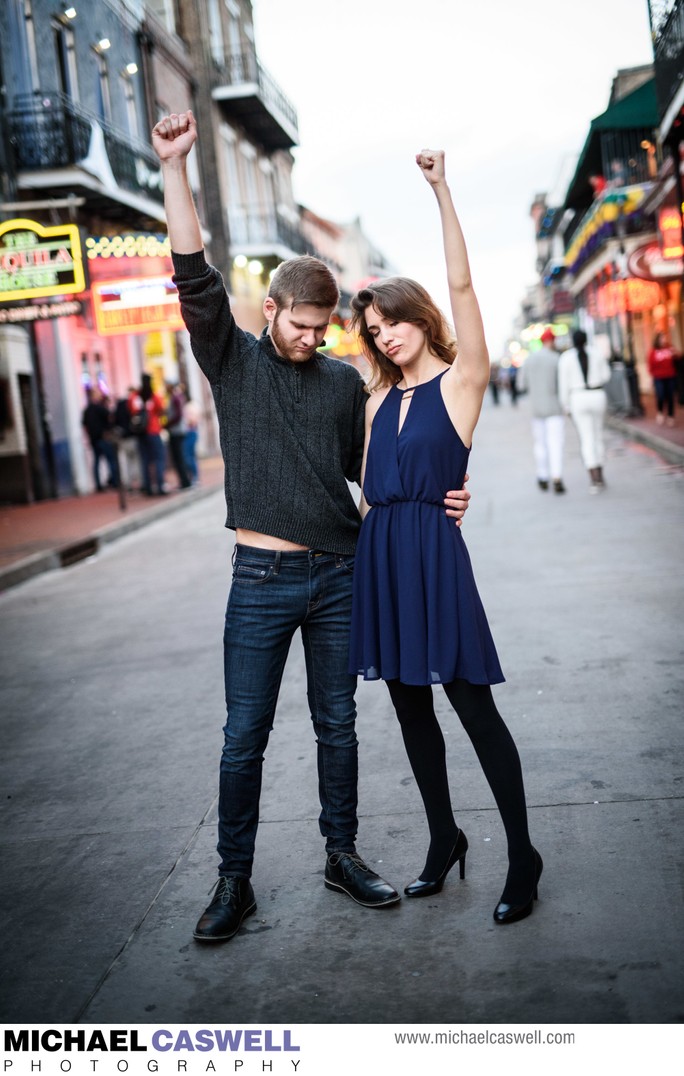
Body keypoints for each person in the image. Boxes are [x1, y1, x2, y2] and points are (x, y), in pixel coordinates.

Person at [150, 110, 471, 943]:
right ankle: (233, 882)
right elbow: (192, 270)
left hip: (339, 574)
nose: (311, 336)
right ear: (271, 309)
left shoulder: (339, 383)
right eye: (300, 323)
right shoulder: (231, 357)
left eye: (323, 326)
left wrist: (441, 495)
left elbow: (379, 470)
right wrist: (175, 168)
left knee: (339, 723)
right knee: (243, 735)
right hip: (259, 578)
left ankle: (342, 854)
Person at [348, 149, 541, 926]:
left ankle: (523, 855)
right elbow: (364, 484)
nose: (384, 335)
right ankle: (443, 839)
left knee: (472, 707)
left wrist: (442, 191)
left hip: (434, 555)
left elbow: (463, 286)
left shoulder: (462, 382)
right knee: (409, 710)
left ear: (420, 319)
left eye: (392, 321)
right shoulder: (370, 397)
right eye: (372, 328)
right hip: (383, 558)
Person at [558, 329, 611, 492]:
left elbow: (563, 385)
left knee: (586, 437)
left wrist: (566, 405)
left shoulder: (566, 358)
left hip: (578, 397)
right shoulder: (596, 353)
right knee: (598, 435)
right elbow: (606, 375)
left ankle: (594, 478)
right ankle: (600, 473)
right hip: (596, 394)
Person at [518, 328, 566, 493]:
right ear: (551, 341)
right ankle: (557, 477)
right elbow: (562, 385)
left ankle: (542, 476)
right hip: (554, 407)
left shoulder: (530, 359)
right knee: (555, 443)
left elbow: (521, 384)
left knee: (540, 444)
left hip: (536, 409)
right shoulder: (556, 359)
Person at [129, 374, 167, 496]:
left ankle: (148, 487)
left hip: (141, 433)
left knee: (145, 460)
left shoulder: (135, 397)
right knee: (158, 459)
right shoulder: (153, 396)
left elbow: (131, 409)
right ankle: (160, 485)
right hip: (153, 431)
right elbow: (161, 409)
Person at [82, 387, 119, 491]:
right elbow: (110, 417)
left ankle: (99, 484)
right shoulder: (98, 408)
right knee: (110, 459)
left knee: (97, 461)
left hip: (94, 439)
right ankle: (114, 481)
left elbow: (84, 425)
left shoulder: (87, 410)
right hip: (102, 438)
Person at [647, 332, 677, 427]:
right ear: (658, 339)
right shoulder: (653, 352)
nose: (664, 340)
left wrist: (675, 353)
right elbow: (650, 365)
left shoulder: (669, 348)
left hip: (670, 376)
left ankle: (670, 416)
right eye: (662, 338)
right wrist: (652, 376)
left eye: (664, 338)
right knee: (661, 395)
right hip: (659, 377)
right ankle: (660, 412)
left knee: (670, 396)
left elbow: (677, 359)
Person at [166, 381, 192, 488]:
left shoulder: (175, 398)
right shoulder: (177, 398)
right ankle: (185, 480)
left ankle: (185, 481)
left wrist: (168, 424)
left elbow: (178, 415)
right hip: (178, 430)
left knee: (179, 457)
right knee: (179, 457)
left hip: (176, 431)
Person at [182, 389, 200, 485]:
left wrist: (186, 422)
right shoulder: (190, 405)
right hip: (190, 432)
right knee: (190, 456)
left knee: (189, 456)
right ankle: (194, 477)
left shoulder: (190, 406)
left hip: (191, 432)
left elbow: (193, 420)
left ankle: (195, 478)